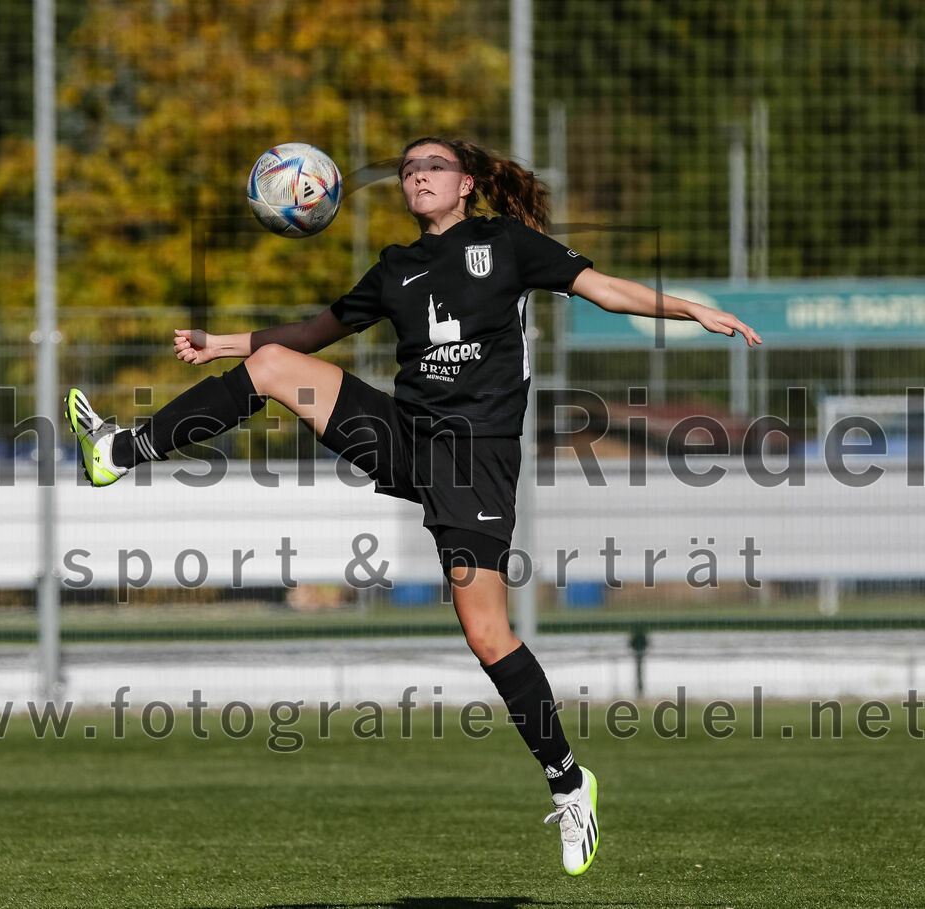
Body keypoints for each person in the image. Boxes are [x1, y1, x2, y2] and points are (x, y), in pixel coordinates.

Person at [65, 136, 762, 876]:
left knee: (487, 634)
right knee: (269, 366)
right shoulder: (396, 268)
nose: (417, 177)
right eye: (407, 170)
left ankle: (569, 781)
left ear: (465, 183)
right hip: (406, 433)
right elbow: (313, 334)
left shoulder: (508, 244)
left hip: (473, 454)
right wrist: (223, 343)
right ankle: (120, 450)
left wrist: (689, 309)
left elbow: (604, 287)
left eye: (432, 167)